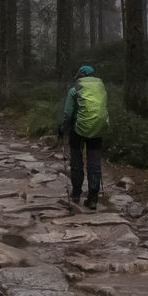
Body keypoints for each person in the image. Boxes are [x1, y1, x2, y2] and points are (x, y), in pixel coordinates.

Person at [57, 65, 108, 209]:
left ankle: (76, 194)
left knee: (77, 162)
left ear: (79, 76)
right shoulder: (101, 89)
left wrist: (62, 128)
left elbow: (68, 113)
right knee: (94, 164)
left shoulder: (74, 90)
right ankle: (93, 199)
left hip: (77, 130)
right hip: (97, 129)